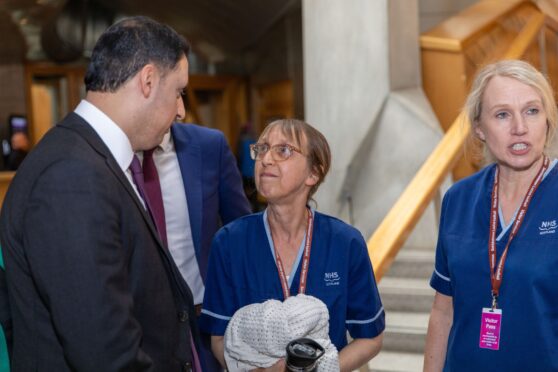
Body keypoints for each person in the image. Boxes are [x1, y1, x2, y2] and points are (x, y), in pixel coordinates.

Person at [0, 16, 200, 371]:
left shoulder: (88, 158)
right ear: (149, 81)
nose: (181, 110)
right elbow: (105, 352)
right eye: (179, 92)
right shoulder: (72, 177)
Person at [199, 118, 385, 371]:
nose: (266, 159)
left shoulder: (345, 242)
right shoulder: (230, 242)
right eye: (262, 149)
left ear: (313, 173)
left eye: (283, 150)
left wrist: (323, 369)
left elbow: (370, 337)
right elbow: (218, 338)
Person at [424, 60, 558, 371]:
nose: (519, 127)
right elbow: (443, 311)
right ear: (480, 129)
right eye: (502, 114)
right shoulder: (458, 199)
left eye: (532, 111)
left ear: (547, 121)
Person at [145, 122, 252, 371]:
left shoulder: (208, 146)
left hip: (204, 321)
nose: (180, 109)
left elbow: (240, 233)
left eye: (181, 93)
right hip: (143, 329)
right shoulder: (115, 155)